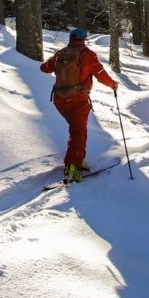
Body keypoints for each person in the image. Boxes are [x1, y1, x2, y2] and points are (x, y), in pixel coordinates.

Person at [40, 28, 118, 183]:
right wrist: (113, 85)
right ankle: (72, 168)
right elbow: (100, 74)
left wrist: (58, 63)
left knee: (77, 131)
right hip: (78, 100)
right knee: (78, 133)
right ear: (84, 39)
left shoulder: (61, 53)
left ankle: (79, 160)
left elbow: (44, 68)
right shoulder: (88, 55)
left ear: (71, 38)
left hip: (59, 100)